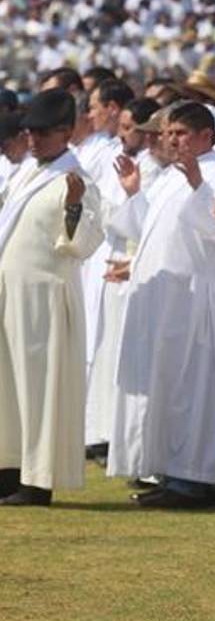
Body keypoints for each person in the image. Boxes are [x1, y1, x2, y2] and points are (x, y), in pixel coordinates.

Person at [107, 102, 215, 508]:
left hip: (196, 299)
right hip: (166, 299)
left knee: (192, 386)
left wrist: (200, 186)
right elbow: (148, 229)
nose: (171, 140)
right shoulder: (169, 176)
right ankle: (169, 468)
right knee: (166, 382)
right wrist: (133, 194)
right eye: (168, 133)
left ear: (204, 136)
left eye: (180, 133)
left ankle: (193, 477)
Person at [0, 89, 103, 505]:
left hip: (44, 296)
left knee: (39, 386)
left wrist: (74, 209)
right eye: (30, 132)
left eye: (43, 132)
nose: (35, 139)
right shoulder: (26, 172)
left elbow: (86, 241)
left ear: (65, 132)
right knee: (7, 385)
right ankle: (8, 468)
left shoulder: (76, 178)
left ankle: (36, 480)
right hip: (12, 291)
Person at [84, 96, 162, 457]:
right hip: (113, 258)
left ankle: (118, 436)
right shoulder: (124, 160)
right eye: (126, 127)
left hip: (134, 261)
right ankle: (101, 429)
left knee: (123, 353)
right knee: (107, 351)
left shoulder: (153, 167)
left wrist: (103, 206)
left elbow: (138, 219)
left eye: (132, 128)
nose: (125, 134)